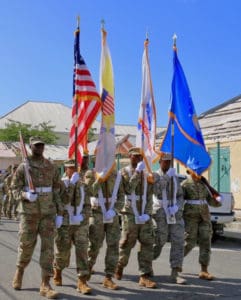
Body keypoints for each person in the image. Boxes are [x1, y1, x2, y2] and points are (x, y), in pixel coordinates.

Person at [11, 136, 64, 299]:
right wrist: (25, 195)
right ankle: (20, 270)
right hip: (29, 213)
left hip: (48, 213)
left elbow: (57, 188)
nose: (39, 148)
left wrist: (60, 212)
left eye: (41, 145)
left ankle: (45, 284)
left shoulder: (51, 166)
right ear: (30, 147)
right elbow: (13, 189)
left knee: (48, 248)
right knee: (26, 245)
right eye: (36, 146)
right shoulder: (23, 167)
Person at [114, 147, 156, 289]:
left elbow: (150, 194)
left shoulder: (146, 173)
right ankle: (119, 266)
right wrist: (138, 172)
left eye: (140, 156)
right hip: (130, 211)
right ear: (130, 156)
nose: (138, 158)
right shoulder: (124, 172)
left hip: (144, 211)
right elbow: (128, 189)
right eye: (135, 156)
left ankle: (144, 275)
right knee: (127, 242)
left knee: (147, 242)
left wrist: (148, 212)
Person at [53, 158, 92, 295]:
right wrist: (70, 184)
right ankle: (58, 270)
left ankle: (82, 280)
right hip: (64, 222)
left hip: (80, 223)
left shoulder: (83, 185)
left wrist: (83, 216)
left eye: (75, 168)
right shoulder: (60, 184)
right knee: (62, 252)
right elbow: (63, 201)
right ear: (65, 169)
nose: (73, 170)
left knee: (82, 251)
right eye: (70, 168)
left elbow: (87, 205)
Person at [86, 165, 124, 290]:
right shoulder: (91, 173)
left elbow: (121, 196)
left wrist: (115, 210)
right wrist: (99, 180)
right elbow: (88, 191)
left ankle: (108, 277)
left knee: (113, 246)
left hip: (112, 215)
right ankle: (87, 269)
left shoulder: (117, 175)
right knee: (95, 245)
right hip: (97, 214)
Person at [181, 170, 222, 280]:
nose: (199, 172)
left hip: (204, 217)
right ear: (190, 171)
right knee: (189, 242)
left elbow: (213, 202)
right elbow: (179, 201)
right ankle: (177, 264)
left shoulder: (204, 184)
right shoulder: (185, 184)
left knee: (206, 241)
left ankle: (204, 270)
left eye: (200, 170)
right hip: (190, 217)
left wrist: (215, 196)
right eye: (196, 170)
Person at [152, 153, 186, 284]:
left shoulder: (175, 177)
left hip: (174, 213)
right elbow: (157, 191)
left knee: (178, 240)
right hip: (160, 211)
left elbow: (180, 195)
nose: (167, 164)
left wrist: (177, 206)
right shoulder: (155, 176)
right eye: (165, 162)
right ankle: (147, 264)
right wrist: (167, 177)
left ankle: (175, 272)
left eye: (169, 161)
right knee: (159, 241)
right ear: (160, 162)